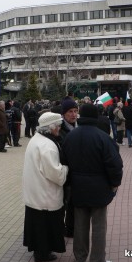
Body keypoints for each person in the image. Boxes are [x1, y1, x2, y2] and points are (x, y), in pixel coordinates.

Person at [62, 104, 123, 262]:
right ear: (96, 117)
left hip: (78, 187)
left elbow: (64, 162)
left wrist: (68, 184)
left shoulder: (70, 136)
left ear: (81, 115)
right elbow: (115, 164)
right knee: (99, 226)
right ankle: (97, 260)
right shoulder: (103, 137)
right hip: (99, 188)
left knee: (79, 224)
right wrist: (115, 183)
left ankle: (80, 258)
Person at [23, 112, 68, 262]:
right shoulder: (48, 146)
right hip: (45, 194)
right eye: (59, 126)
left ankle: (39, 251)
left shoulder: (36, 139)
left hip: (35, 192)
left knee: (37, 226)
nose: (60, 129)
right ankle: (43, 253)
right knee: (45, 227)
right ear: (51, 127)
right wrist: (66, 168)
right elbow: (55, 174)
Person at [59, 96, 79, 238]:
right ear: (63, 114)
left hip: (76, 173)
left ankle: (70, 229)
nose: (73, 114)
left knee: (73, 204)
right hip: (63, 173)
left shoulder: (79, 127)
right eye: (70, 111)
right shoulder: (59, 130)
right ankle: (59, 230)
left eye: (75, 111)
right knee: (61, 204)